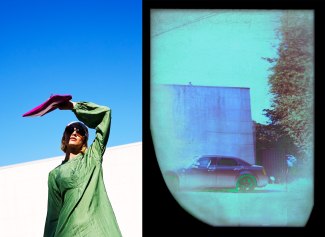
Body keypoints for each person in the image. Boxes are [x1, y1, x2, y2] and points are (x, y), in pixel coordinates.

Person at [43, 101, 122, 237]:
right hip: (66, 232)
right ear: (64, 138)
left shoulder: (92, 157)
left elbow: (105, 113)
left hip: (97, 230)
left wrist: (73, 106)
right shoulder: (54, 175)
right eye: (70, 130)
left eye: (79, 130)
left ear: (84, 139)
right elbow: (53, 217)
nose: (74, 133)